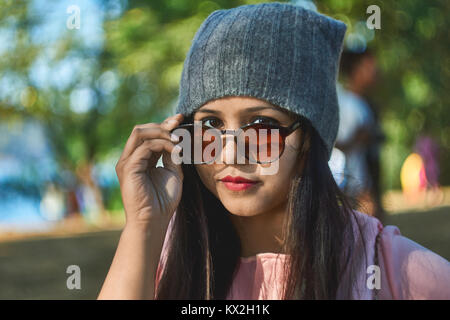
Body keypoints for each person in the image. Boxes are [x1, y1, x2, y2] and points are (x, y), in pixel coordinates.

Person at [98, 3, 450, 300]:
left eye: (262, 127)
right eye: (210, 127)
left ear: (308, 139)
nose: (231, 153)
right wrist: (143, 225)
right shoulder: (164, 259)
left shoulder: (388, 267)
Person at [334, 49, 385, 221]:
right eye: (369, 67)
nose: (375, 72)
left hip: (362, 177)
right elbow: (332, 141)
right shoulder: (344, 102)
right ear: (355, 70)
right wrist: (357, 139)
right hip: (348, 180)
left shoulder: (362, 104)